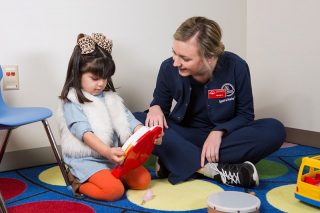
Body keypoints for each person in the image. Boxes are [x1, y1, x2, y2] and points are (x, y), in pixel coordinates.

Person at [134, 17, 286, 188]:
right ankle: (211, 169)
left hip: (224, 139)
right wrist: (155, 107)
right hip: (184, 134)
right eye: (174, 53)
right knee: (134, 120)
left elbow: (246, 115)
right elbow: (160, 107)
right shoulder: (168, 68)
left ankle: (176, 160)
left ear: (210, 57)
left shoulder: (237, 67)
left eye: (185, 58)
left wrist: (219, 131)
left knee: (274, 129)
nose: (176, 62)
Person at [57, 33, 161, 201]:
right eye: (94, 78)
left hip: (112, 157)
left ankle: (111, 176)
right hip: (87, 160)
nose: (101, 83)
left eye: (105, 78)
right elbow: (84, 133)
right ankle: (78, 181)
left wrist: (147, 133)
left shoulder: (110, 97)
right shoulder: (72, 101)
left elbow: (130, 120)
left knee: (143, 181)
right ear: (77, 74)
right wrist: (106, 151)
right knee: (114, 192)